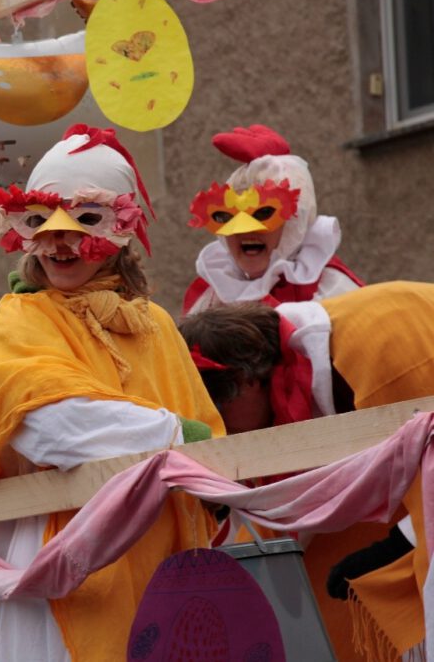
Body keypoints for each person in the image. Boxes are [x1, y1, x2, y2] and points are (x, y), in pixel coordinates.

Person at [0, 124, 225, 661]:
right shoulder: (22, 317)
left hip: (162, 558)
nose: (60, 242)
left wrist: (190, 447)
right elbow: (49, 423)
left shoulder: (154, 325)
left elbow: (212, 454)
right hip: (69, 561)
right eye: (42, 223)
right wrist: (172, 435)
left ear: (120, 229)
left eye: (84, 221)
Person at [180, 282, 434, 660]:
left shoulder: (382, 351)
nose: (226, 435)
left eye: (221, 418)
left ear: (246, 381)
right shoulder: (296, 370)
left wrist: (401, 542)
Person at [183, 124, 363, 315]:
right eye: (227, 216)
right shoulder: (212, 297)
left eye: (262, 213)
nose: (243, 229)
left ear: (295, 223)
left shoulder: (334, 293)